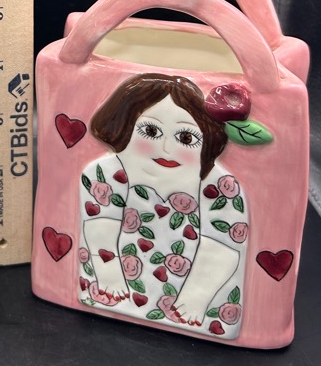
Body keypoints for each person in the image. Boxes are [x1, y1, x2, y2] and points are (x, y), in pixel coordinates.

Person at [79, 73, 249, 339]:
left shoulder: (219, 186)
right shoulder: (106, 172)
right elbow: (100, 226)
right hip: (115, 286)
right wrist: (109, 275)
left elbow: (223, 246)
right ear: (125, 126)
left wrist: (195, 299)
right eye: (150, 131)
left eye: (186, 137)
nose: (166, 148)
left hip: (194, 298)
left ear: (207, 139)